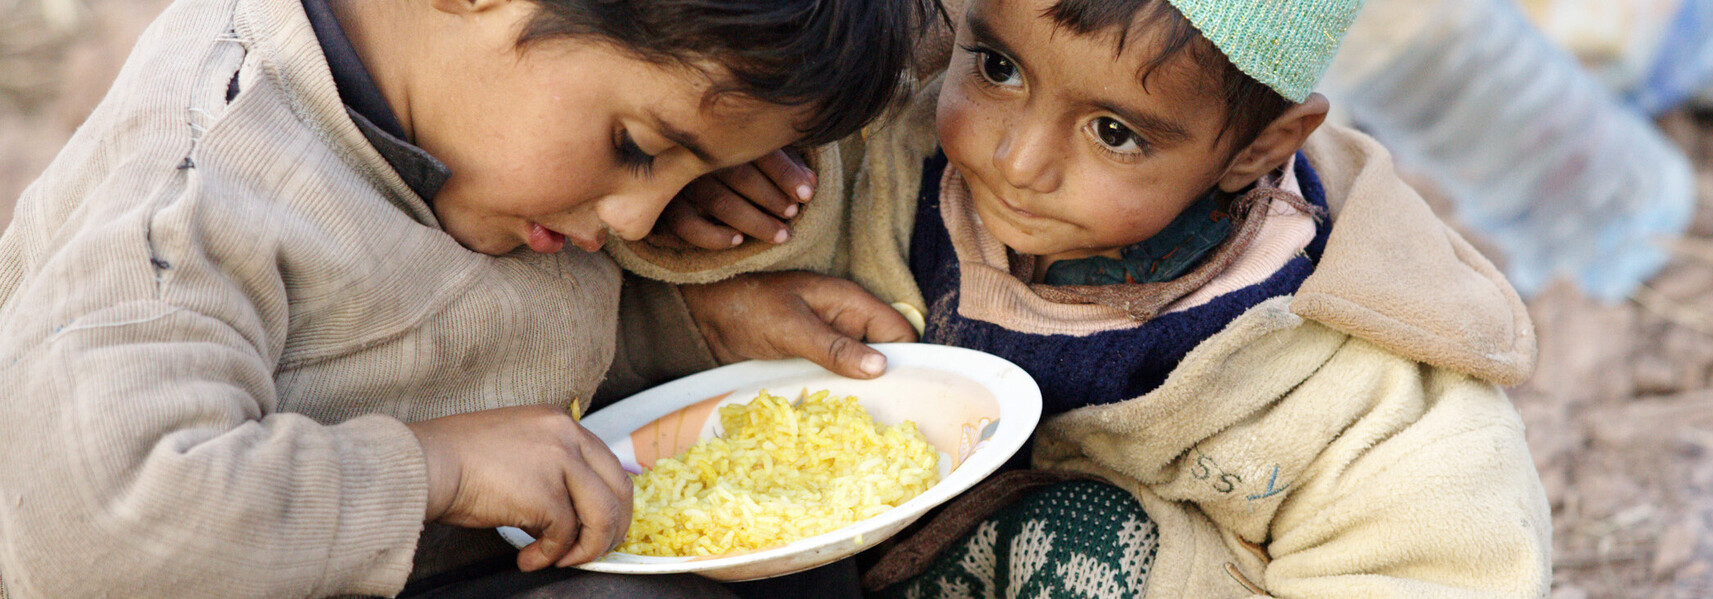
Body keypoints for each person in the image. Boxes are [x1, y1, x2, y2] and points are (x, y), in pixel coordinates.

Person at [618, 0, 1555, 596]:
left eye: (1113, 132)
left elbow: (1440, 555)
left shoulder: (1326, 345)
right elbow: (635, 321)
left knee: (1081, 540)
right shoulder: (878, 158)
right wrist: (707, 222)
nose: (1017, 159)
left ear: (1258, 148)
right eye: (996, 68)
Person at [0, 0, 933, 595]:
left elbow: (457, 335)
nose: (640, 212)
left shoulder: (473, 134)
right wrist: (435, 470)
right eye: (640, 147)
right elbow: (97, 521)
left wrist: (692, 325)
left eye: (698, 174)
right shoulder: (198, 186)